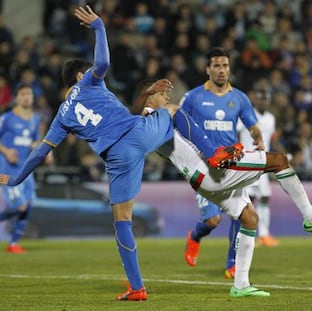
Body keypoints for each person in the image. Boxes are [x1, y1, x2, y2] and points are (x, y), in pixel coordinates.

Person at [0, 6, 241, 301]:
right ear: (80, 74)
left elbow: (39, 153)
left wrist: (15, 179)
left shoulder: (61, 117)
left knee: (122, 220)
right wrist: (100, 26)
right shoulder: (88, 81)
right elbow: (102, 62)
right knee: (173, 110)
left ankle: (137, 287)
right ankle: (214, 155)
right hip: (137, 133)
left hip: (117, 157)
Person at [142, 89, 312, 297]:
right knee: (280, 161)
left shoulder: (151, 128)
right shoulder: (155, 118)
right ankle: (311, 217)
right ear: (149, 98)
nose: (166, 98)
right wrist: (210, 152)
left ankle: (241, 285)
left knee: (250, 218)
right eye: (161, 94)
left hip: (201, 181)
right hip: (214, 170)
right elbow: (173, 111)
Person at [180, 47, 265, 279]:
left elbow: (252, 125)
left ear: (229, 69)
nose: (221, 70)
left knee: (241, 215)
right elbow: (177, 123)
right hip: (203, 167)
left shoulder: (239, 98)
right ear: (208, 70)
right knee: (213, 219)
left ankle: (232, 263)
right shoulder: (193, 97)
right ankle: (195, 236)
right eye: (216, 66)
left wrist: (258, 138)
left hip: (231, 166)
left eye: (225, 65)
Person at [0, 84, 42, 253]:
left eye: (29, 94)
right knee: (21, 207)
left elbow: (33, 141)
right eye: (23, 94)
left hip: (25, 170)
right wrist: (6, 151)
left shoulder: (35, 118)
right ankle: (13, 243)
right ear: (17, 97)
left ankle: (14, 243)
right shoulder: (6, 118)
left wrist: (41, 148)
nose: (26, 97)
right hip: (7, 169)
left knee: (29, 204)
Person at [238, 89, 279, 247]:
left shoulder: (270, 118)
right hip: (246, 163)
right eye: (261, 98)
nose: (264, 101)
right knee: (247, 200)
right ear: (255, 99)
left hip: (263, 163)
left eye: (266, 98)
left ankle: (263, 234)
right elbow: (235, 136)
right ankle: (247, 234)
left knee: (265, 197)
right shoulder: (246, 116)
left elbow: (271, 140)